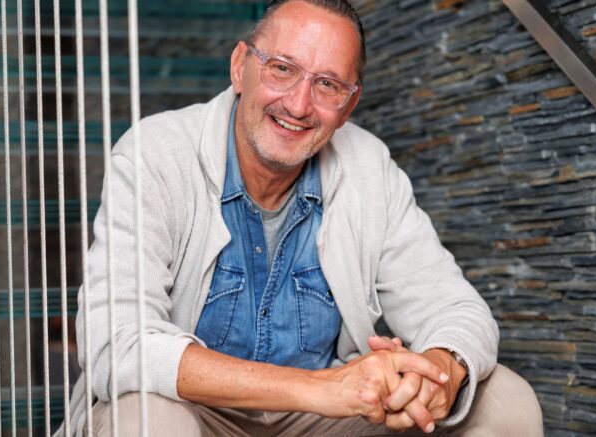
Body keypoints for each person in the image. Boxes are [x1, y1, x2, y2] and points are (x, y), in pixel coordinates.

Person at [62, 0, 543, 435]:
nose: (298, 104)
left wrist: (438, 372)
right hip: (196, 411)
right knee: (147, 420)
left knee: (505, 401)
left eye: (327, 84)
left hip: (321, 422)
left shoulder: (369, 168)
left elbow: (457, 308)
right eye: (282, 69)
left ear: (349, 105)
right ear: (239, 67)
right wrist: (321, 388)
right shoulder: (156, 155)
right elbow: (116, 344)